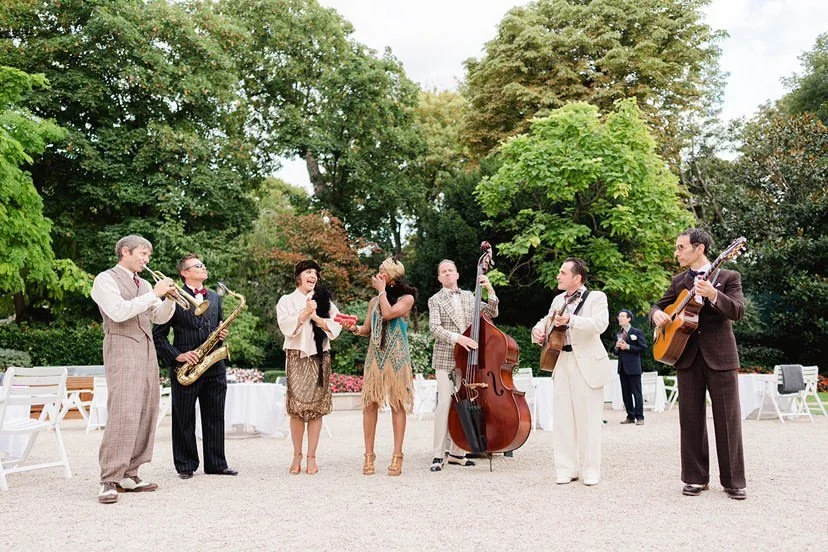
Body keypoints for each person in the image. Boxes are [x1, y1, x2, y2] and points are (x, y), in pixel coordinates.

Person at [650, 228, 747, 500]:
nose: (676, 253)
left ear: (699, 248)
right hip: (686, 356)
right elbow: (657, 306)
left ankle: (734, 481)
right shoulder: (679, 281)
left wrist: (714, 295)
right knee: (690, 419)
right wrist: (657, 315)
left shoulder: (729, 277)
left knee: (728, 421)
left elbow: (738, 311)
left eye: (681, 247)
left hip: (721, 357)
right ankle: (694, 478)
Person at [90, 235, 176, 504]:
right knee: (124, 411)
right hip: (122, 347)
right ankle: (109, 478)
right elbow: (118, 311)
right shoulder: (105, 279)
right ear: (125, 251)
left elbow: (158, 316)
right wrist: (154, 294)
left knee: (146, 411)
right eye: (142, 254)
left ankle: (131, 472)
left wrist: (170, 299)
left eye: (148, 255)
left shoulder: (146, 283)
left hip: (146, 349)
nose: (146, 260)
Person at [153, 254, 238, 480]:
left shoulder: (215, 298)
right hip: (186, 366)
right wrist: (178, 356)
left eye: (203, 265)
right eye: (197, 266)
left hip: (213, 365)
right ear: (184, 272)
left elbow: (215, 330)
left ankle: (217, 464)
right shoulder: (172, 297)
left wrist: (221, 335)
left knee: (215, 416)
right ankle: (185, 465)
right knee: (183, 417)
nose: (203, 268)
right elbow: (158, 336)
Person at [531, 257, 613, 486]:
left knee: (589, 420)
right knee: (563, 419)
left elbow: (600, 324)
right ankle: (566, 468)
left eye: (563, 272)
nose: (558, 276)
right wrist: (537, 331)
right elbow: (546, 321)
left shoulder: (597, 297)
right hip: (561, 361)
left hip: (587, 363)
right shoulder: (558, 299)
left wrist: (572, 320)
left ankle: (590, 470)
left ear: (577, 278)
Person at [341, 258, 417, 477]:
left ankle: (397, 455)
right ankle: (368, 454)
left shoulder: (407, 298)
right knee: (370, 404)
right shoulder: (374, 301)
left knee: (397, 404)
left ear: (392, 277)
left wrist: (382, 292)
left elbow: (389, 314)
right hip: (375, 357)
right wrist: (352, 328)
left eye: (382, 272)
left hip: (397, 358)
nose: (377, 275)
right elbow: (367, 328)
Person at [427, 259, 498, 472]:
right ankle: (438, 454)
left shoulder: (469, 296)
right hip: (446, 359)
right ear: (440, 278)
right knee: (445, 405)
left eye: (450, 270)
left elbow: (492, 313)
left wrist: (490, 290)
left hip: (468, 360)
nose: (447, 274)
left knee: (464, 404)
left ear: (457, 275)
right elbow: (434, 328)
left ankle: (458, 453)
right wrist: (458, 338)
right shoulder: (435, 300)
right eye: (443, 271)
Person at [276, 260, 343, 475]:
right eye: (308, 272)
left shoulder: (324, 300)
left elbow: (337, 323)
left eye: (315, 273)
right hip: (296, 356)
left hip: (319, 356)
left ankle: (312, 457)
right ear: (298, 277)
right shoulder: (286, 300)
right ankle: (297, 455)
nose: (312, 275)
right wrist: (304, 314)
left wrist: (316, 316)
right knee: (296, 409)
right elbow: (286, 326)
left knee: (316, 409)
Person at [614, 309, 648, 425]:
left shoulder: (636, 332)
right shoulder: (619, 333)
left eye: (622, 316)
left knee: (636, 393)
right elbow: (616, 352)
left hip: (633, 368)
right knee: (626, 393)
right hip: (622, 368)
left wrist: (628, 347)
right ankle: (630, 416)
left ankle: (640, 417)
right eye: (619, 316)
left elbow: (643, 348)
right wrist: (617, 347)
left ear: (629, 318)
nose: (620, 318)